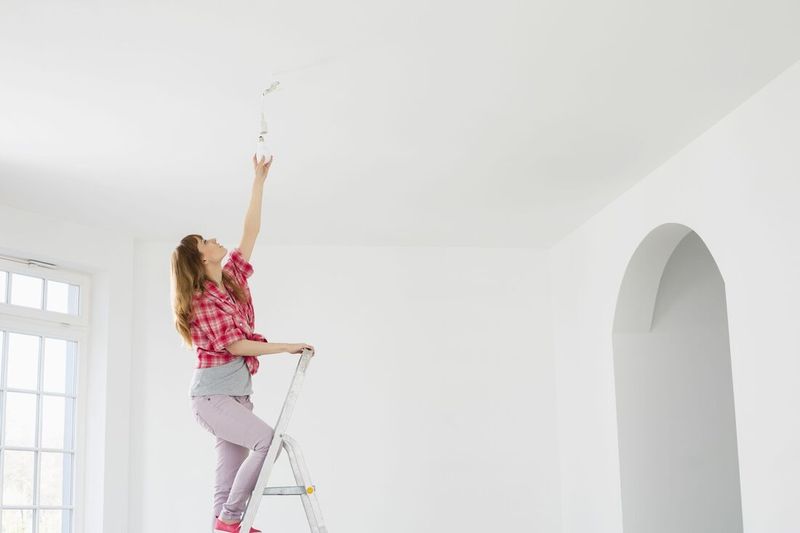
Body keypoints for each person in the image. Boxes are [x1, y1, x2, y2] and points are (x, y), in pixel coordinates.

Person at [170, 154, 315, 533]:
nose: (216, 241)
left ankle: (224, 522)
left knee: (227, 478)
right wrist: (284, 347)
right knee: (268, 442)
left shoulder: (230, 280)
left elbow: (250, 233)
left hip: (236, 396)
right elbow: (235, 346)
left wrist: (258, 181)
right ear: (200, 259)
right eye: (207, 241)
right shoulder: (201, 300)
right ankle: (232, 520)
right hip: (212, 398)